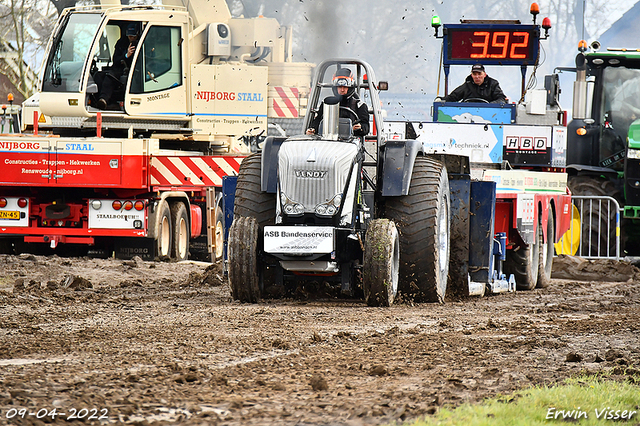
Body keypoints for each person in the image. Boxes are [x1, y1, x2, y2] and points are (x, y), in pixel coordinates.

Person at [306, 68, 369, 137]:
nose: (342, 90)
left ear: (350, 87)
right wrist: (313, 129)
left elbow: (366, 126)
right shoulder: (327, 103)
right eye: (339, 87)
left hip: (351, 141)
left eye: (345, 87)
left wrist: (360, 127)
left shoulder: (359, 105)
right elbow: (317, 120)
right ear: (335, 87)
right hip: (329, 139)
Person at [95, 23, 140, 110]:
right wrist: (126, 55)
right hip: (119, 67)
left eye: (133, 36)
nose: (131, 38)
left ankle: (104, 99)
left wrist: (131, 56)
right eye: (129, 36)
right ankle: (102, 101)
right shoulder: (121, 42)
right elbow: (115, 59)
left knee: (110, 77)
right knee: (98, 75)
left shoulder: (142, 43)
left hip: (133, 69)